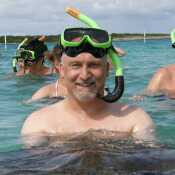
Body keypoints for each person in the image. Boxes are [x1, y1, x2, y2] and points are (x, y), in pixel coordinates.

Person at [21, 27, 154, 147]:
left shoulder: (134, 120)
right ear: (61, 70)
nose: (84, 75)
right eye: (76, 65)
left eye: (94, 65)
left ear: (107, 69)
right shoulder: (40, 124)